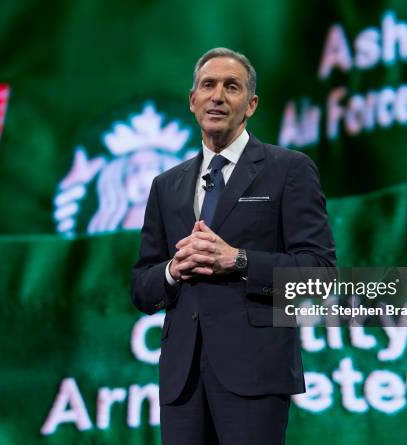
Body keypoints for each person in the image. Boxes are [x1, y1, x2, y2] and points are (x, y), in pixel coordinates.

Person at [131, 47, 336, 445]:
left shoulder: (289, 169)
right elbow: (142, 286)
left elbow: (319, 273)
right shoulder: (166, 185)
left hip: (255, 374)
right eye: (208, 86)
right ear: (193, 101)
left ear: (251, 104)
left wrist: (238, 260)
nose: (218, 96)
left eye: (232, 87)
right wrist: (173, 271)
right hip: (182, 381)